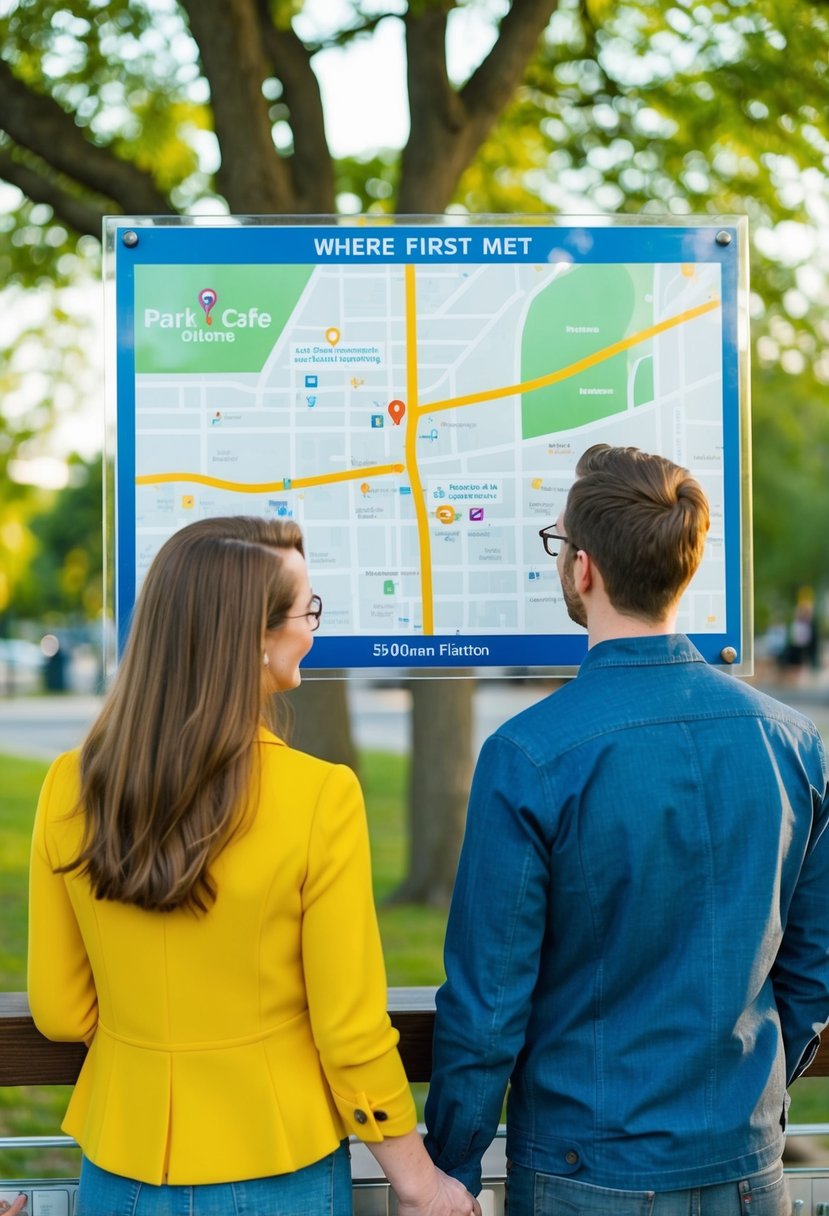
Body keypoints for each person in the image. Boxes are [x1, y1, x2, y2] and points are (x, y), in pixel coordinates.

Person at [28, 516, 480, 1216]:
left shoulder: (67, 785)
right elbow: (349, 1029)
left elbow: (60, 1010)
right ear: (256, 637)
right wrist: (419, 1183)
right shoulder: (319, 796)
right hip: (273, 1168)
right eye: (307, 612)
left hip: (117, 1166)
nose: (312, 630)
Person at [424, 445, 829, 1215]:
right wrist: (754, 1093)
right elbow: (812, 969)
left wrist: (450, 1167)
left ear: (582, 569)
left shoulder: (529, 755)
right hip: (748, 1169)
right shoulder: (791, 741)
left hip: (589, 1171)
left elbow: (486, 1007)